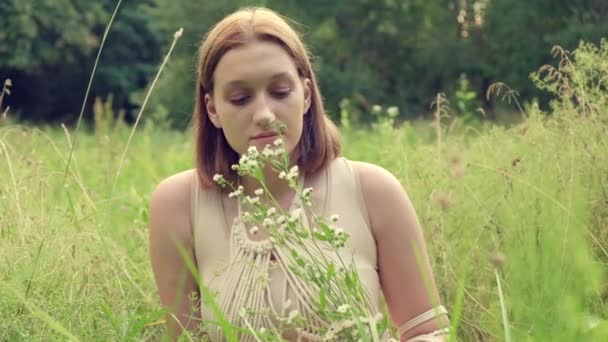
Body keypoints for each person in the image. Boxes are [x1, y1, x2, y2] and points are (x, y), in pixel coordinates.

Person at [149, 6, 449, 342]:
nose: (263, 113)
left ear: (306, 95)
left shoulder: (373, 191)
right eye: (240, 98)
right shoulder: (178, 205)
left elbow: (427, 332)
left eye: (280, 92)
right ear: (213, 109)